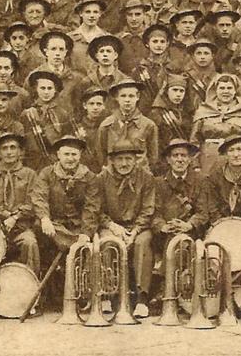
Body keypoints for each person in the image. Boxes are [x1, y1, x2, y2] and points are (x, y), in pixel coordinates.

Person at [95, 140, 157, 317]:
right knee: (107, 242)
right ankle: (107, 294)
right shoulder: (101, 178)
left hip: (138, 226)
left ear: (135, 160)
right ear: (112, 161)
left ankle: (141, 299)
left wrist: (136, 230)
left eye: (128, 158)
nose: (124, 163)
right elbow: (96, 209)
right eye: (120, 159)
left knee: (143, 243)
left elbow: (148, 209)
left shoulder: (146, 177)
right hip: (111, 224)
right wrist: (112, 226)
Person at [30, 135, 102, 262]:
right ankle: (77, 247)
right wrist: (44, 218)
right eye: (66, 154)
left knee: (91, 237)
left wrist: (86, 233)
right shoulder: (47, 174)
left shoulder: (90, 177)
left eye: (74, 154)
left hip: (78, 226)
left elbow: (92, 207)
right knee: (38, 225)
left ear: (80, 155)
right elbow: (39, 197)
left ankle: (78, 246)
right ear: (58, 155)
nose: (70, 158)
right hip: (54, 226)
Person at [0, 133, 40, 276]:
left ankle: (30, 287)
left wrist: (16, 217)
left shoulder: (30, 175)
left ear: (20, 151)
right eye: (4, 148)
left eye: (13, 147)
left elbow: (34, 200)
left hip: (21, 228)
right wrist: (5, 216)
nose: (9, 152)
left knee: (30, 243)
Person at [188, 135, 241, 236]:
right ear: (226, 154)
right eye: (231, 150)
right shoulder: (215, 177)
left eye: (240, 149)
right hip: (220, 226)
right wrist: (223, 225)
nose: (236, 155)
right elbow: (212, 207)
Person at [190, 73, 241, 174]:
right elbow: (194, 141)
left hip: (236, 160)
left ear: (235, 91)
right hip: (208, 160)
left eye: (229, 88)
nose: (226, 91)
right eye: (222, 88)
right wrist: (195, 165)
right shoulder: (203, 111)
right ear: (216, 90)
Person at [95, 79, 159, 171]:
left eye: (131, 96)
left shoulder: (148, 125)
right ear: (117, 98)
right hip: (113, 176)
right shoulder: (106, 126)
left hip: (140, 177)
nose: (127, 100)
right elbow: (101, 157)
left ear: (138, 97)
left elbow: (153, 158)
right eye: (123, 96)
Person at [152, 139, 203, 243]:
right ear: (168, 160)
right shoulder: (158, 183)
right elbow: (154, 212)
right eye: (175, 155)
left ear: (189, 159)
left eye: (184, 155)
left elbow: (203, 211)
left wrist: (190, 225)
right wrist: (162, 226)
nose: (180, 160)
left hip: (191, 233)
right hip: (165, 235)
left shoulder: (200, 181)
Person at [21, 71, 73, 172]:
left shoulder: (62, 113)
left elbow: (67, 139)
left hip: (57, 162)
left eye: (50, 88)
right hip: (34, 162)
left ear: (55, 91)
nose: (46, 92)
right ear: (36, 89)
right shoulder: (28, 114)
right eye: (42, 88)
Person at [149, 74, 194, 147]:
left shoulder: (187, 112)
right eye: (175, 90)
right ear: (167, 91)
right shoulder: (157, 113)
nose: (178, 94)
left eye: (181, 91)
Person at [68, 0, 111, 75]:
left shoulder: (107, 38)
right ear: (81, 13)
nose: (92, 16)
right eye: (88, 12)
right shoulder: (69, 38)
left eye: (95, 12)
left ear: (100, 14)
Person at [74, 86, 109, 174]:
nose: (95, 107)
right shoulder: (78, 127)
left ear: (104, 106)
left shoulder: (109, 125)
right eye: (91, 103)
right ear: (85, 105)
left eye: (99, 104)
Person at [183, 39, 219, 109]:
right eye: (199, 53)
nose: (202, 57)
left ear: (213, 56)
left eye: (206, 53)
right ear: (193, 56)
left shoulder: (218, 78)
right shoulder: (186, 77)